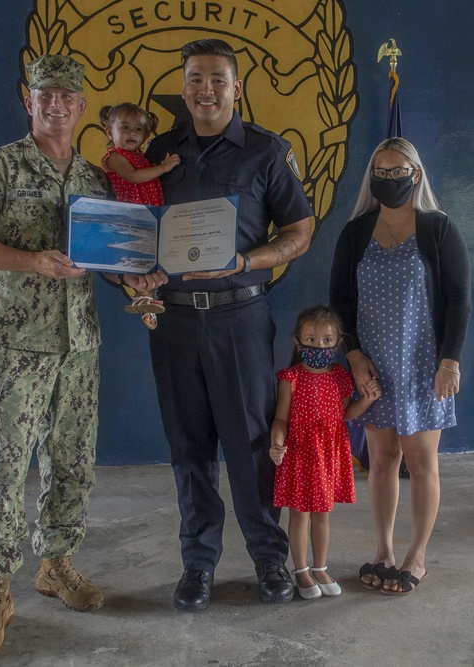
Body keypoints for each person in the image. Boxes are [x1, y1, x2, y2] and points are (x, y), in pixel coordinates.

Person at [0, 55, 150, 659]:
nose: (56, 103)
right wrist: (32, 261)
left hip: (78, 345)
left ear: (82, 106)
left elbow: (105, 257)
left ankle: (55, 564)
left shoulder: (92, 180)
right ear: (28, 101)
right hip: (13, 346)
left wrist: (133, 279)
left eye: (67, 95)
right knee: (4, 469)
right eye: (45, 94)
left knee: (72, 461)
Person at [141, 38, 314, 612]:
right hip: (174, 322)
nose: (205, 89)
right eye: (195, 78)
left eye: (217, 78)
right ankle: (198, 565)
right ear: (184, 85)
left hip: (240, 317)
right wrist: (133, 273)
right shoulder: (158, 153)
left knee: (251, 446)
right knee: (188, 447)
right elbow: (136, 229)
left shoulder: (267, 152)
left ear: (236, 87)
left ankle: (270, 558)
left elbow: (299, 231)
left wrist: (248, 261)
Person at [329, 137, 472, 596]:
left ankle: (417, 555)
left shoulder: (438, 229)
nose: (390, 180)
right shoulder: (355, 233)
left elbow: (459, 301)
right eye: (381, 173)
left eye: (398, 172)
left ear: (416, 174)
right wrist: (352, 356)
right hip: (372, 368)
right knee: (382, 459)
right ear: (371, 177)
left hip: (422, 366)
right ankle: (385, 550)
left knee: (421, 460)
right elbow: (340, 303)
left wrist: (450, 360)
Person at [269, 305, 381, 600]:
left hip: (329, 454)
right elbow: (280, 419)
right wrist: (277, 444)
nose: (319, 345)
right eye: (311, 339)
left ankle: (320, 568)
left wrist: (367, 400)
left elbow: (345, 414)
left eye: (327, 340)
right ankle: (301, 571)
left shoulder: (342, 377)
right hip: (299, 453)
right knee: (299, 515)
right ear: (297, 341)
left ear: (338, 341)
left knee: (322, 514)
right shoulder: (290, 378)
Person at [98, 102, 181, 329]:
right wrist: (164, 168)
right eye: (124, 127)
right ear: (110, 132)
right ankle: (143, 299)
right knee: (138, 260)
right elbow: (133, 177)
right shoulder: (115, 156)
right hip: (132, 216)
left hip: (151, 216)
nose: (132, 133)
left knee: (151, 262)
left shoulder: (142, 157)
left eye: (138, 129)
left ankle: (147, 299)